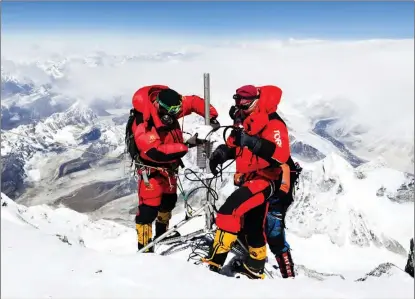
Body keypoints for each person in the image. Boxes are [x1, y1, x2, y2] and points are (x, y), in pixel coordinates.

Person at [202, 84, 291, 279]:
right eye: (237, 103)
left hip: (266, 179)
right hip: (248, 177)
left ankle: (213, 264)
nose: (240, 108)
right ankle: (255, 267)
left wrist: (254, 143)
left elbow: (281, 154)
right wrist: (222, 153)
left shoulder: (273, 123)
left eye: (245, 104)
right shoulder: (243, 119)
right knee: (253, 224)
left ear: (257, 100)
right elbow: (235, 145)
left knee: (229, 211)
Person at [127, 85, 220, 252]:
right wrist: (186, 145)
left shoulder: (169, 107)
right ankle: (144, 248)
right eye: (173, 111)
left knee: (168, 202)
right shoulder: (143, 121)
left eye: (177, 109)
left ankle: (162, 234)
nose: (176, 113)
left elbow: (191, 102)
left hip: (169, 169)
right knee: (148, 209)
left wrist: (212, 116)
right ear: (160, 106)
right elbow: (154, 152)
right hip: (152, 170)